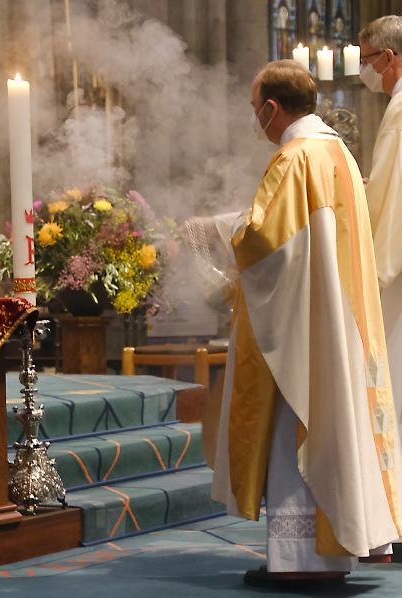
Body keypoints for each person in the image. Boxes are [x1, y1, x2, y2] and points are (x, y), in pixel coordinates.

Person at [209, 59, 402, 586]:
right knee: (332, 423)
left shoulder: (293, 158)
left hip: (303, 328)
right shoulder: (337, 149)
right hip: (339, 320)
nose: (256, 120)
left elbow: (265, 243)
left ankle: (300, 564)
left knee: (295, 431)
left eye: (256, 110)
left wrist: (219, 237)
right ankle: (329, 552)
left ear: (272, 107)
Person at [360, 16, 402, 440]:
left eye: (367, 60)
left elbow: (392, 195)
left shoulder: (400, 108)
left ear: (389, 57)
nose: (364, 71)